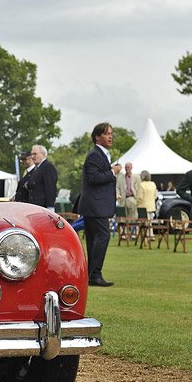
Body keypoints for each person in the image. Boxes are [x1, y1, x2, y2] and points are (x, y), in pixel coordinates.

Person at [78, 123, 122, 287]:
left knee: (93, 239)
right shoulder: (95, 155)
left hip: (95, 205)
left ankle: (91, 274)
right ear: (97, 137)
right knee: (102, 236)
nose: (110, 137)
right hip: (96, 206)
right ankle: (95, 274)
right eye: (107, 134)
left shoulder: (101, 155)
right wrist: (112, 172)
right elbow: (94, 178)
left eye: (111, 133)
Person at [27, 145, 58, 210]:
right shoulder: (38, 168)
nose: (32, 157)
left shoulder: (48, 167)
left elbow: (50, 188)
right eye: (31, 154)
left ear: (43, 154)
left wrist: (50, 207)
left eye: (35, 154)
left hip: (43, 208)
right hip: (35, 206)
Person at [136, 170, 158, 239]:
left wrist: (136, 203)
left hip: (143, 206)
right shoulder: (153, 184)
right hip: (151, 207)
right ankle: (151, 235)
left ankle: (144, 235)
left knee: (143, 222)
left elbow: (140, 197)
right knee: (149, 222)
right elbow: (155, 196)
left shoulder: (141, 185)